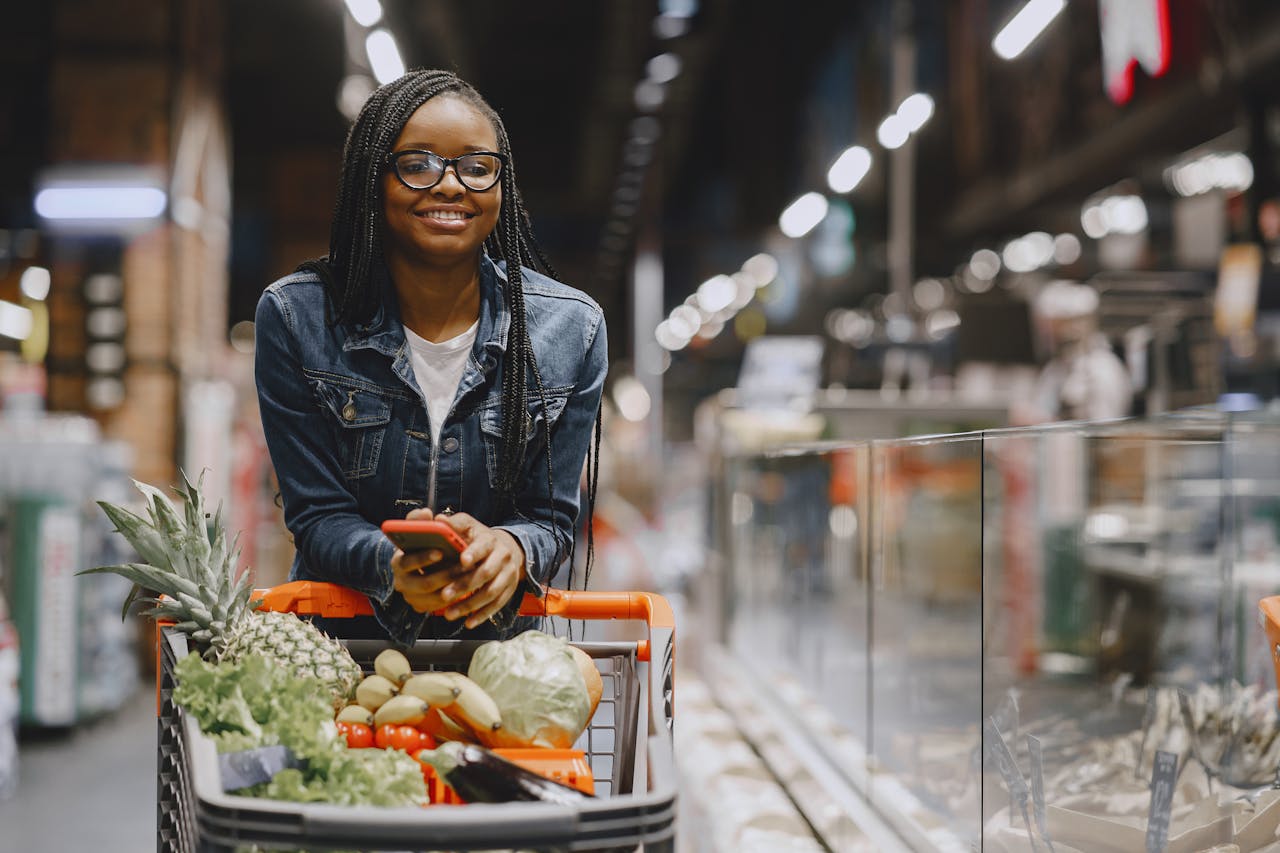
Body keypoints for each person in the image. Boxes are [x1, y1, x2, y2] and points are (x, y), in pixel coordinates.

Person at [253, 69, 607, 645]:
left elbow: (552, 519)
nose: (450, 185)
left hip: (503, 663)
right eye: (417, 165)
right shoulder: (299, 318)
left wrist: (512, 548)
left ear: (501, 184)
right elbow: (317, 517)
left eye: (475, 166)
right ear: (374, 179)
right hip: (342, 655)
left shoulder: (570, 329)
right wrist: (392, 565)